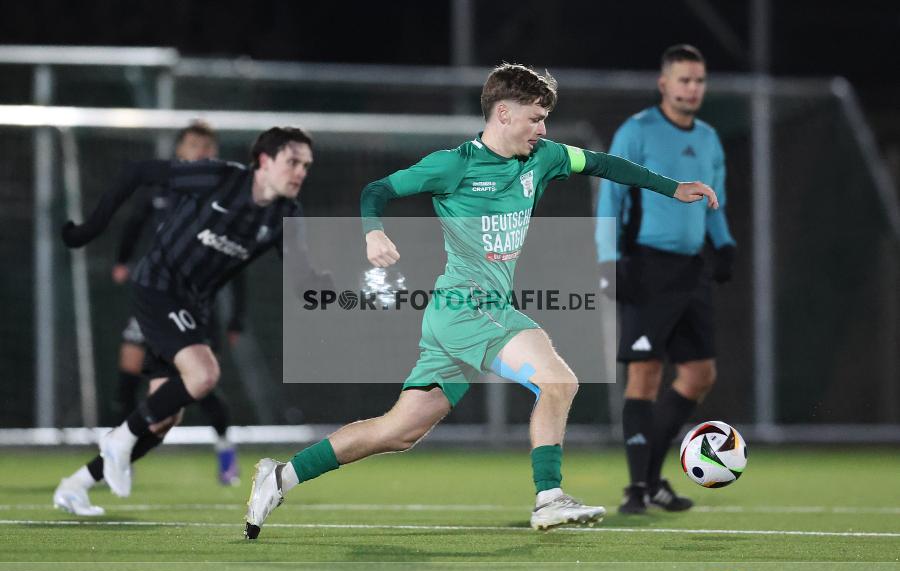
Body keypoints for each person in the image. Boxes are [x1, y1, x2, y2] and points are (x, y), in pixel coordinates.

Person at [243, 63, 719, 539]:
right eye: (536, 119)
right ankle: (549, 497)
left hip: (468, 314)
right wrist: (374, 233)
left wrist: (672, 188)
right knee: (558, 380)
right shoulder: (455, 165)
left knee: (398, 431)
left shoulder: (544, 158)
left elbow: (604, 164)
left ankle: (281, 476)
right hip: (466, 309)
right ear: (504, 114)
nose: (543, 130)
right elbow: (378, 190)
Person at [53, 127, 331, 516]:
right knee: (203, 374)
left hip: (193, 307)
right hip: (157, 287)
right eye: (293, 162)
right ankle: (118, 439)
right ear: (264, 161)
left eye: (306, 165)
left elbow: (301, 279)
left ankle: (75, 486)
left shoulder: (287, 214)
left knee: (163, 419)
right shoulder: (219, 177)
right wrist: (87, 231)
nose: (300, 172)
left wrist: (333, 287)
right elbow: (136, 172)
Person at [595, 45, 736, 515]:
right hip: (645, 265)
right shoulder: (636, 131)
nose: (692, 88)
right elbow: (610, 199)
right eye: (684, 80)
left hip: (691, 269)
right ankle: (637, 488)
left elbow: (715, 204)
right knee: (645, 374)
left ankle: (652, 480)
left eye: (699, 81)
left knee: (699, 376)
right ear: (664, 84)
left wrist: (724, 245)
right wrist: (608, 260)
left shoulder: (710, 138)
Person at [109, 121, 243, 487]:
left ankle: (225, 451)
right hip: (154, 297)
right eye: (195, 144)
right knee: (127, 376)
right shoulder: (163, 188)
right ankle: (121, 455)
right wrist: (122, 260)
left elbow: (238, 259)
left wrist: (237, 318)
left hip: (195, 304)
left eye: (208, 146)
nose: (202, 151)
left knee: (201, 383)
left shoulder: (224, 199)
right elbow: (134, 222)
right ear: (180, 150)